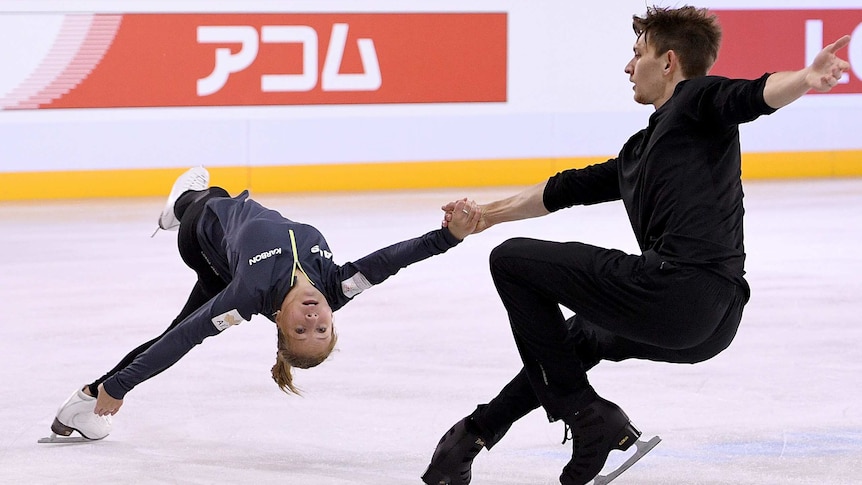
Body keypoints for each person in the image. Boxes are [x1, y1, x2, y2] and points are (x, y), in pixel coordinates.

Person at [423, 6, 851, 485]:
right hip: (713, 322)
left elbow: (752, 96)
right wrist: (485, 216)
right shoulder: (639, 151)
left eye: (637, 53)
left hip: (679, 289)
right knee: (582, 335)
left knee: (512, 260)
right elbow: (560, 190)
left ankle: (587, 416)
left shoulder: (697, 99)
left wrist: (807, 78)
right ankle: (476, 433)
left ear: (668, 62)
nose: (628, 67)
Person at [44, 166, 480, 442]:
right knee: (177, 321)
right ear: (332, 318)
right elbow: (393, 260)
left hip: (199, 235)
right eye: (321, 329)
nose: (312, 319)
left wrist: (121, 387)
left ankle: (178, 206)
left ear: (278, 322)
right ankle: (82, 404)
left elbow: (187, 339)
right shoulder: (339, 286)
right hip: (226, 256)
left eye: (301, 330)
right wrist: (449, 236)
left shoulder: (249, 294)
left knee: (208, 195)